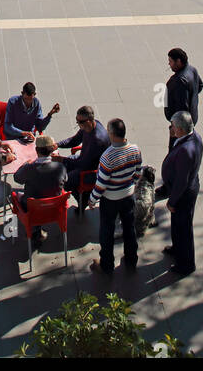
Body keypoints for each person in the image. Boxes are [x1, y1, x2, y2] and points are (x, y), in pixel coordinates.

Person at [87, 117, 142, 275]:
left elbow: (101, 184)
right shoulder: (135, 149)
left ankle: (106, 263)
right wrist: (130, 184)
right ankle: (131, 258)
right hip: (128, 196)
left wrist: (92, 200)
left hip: (110, 200)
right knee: (129, 228)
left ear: (112, 134)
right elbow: (138, 172)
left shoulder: (107, 157)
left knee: (107, 231)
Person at [159, 110, 203, 278]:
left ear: (181, 129)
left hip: (183, 195)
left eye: (173, 127)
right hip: (185, 190)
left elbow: (182, 181)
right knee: (178, 225)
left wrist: (172, 201)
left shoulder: (186, 149)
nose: (171, 129)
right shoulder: (194, 137)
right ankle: (177, 248)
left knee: (183, 228)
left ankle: (186, 264)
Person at [13, 135, 68, 245]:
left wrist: (25, 165)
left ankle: (34, 231)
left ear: (37, 150)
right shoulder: (60, 167)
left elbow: (17, 178)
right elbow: (65, 180)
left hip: (33, 210)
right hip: (54, 209)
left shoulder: (29, 169)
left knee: (14, 195)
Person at [55, 106, 110, 207]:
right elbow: (75, 140)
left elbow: (83, 164)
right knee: (61, 168)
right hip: (83, 161)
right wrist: (57, 144)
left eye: (79, 122)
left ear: (88, 121)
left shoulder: (97, 140)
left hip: (91, 171)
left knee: (65, 181)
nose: (78, 124)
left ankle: (83, 199)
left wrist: (62, 159)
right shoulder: (87, 127)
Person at [164, 48, 203, 128]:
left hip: (181, 126)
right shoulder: (192, 70)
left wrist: (176, 126)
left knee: (180, 141)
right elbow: (200, 86)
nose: (169, 64)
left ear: (178, 61)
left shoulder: (179, 81)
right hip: (191, 119)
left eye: (170, 61)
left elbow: (182, 107)